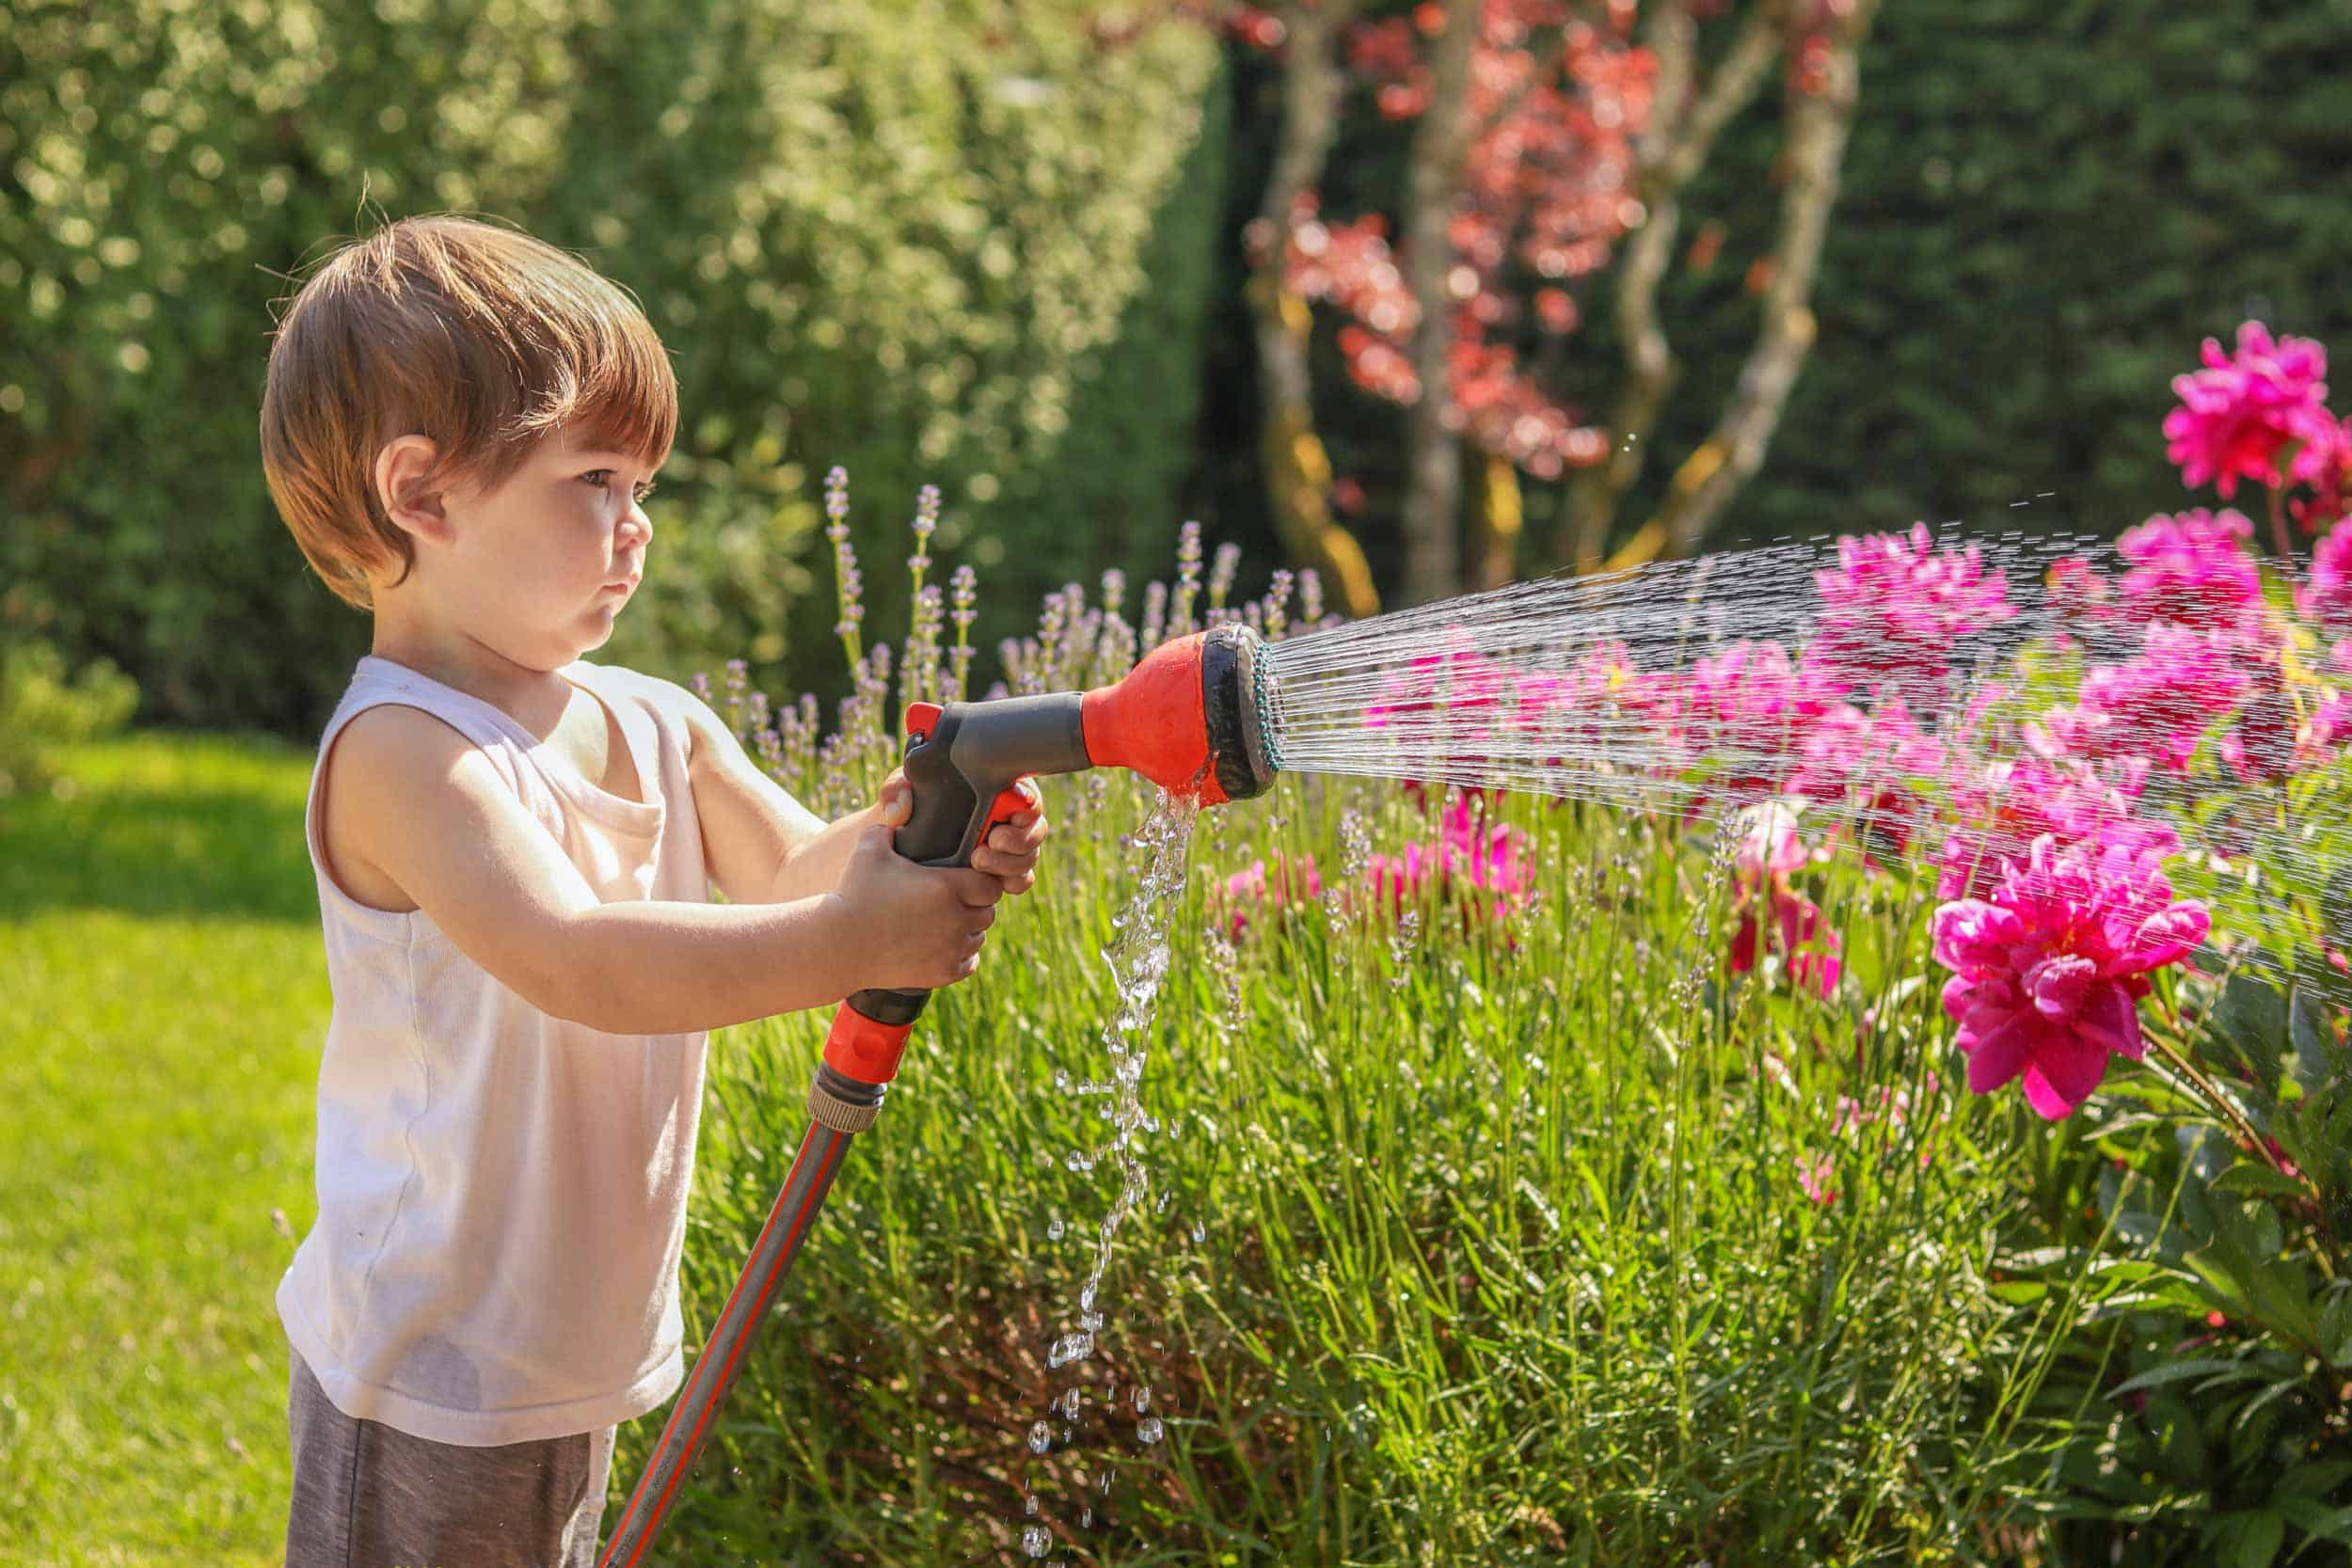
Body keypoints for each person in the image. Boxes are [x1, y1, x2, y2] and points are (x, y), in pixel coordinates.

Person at [256, 213, 1048, 1567]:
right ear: (423, 494)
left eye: (645, 488)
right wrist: (852, 935)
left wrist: (920, 846)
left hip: (576, 1338)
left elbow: (804, 875)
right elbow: (582, 961)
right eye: (597, 480)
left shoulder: (658, 723)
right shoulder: (402, 755)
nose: (638, 528)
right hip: (432, 1363)